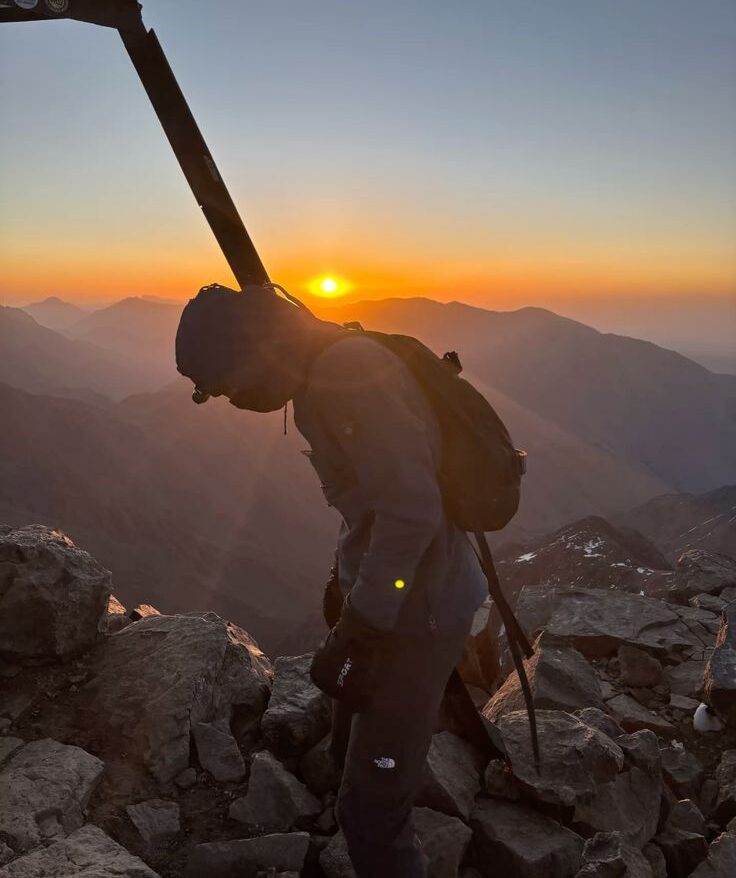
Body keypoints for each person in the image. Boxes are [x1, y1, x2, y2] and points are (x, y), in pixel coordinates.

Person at [175, 284, 487, 878]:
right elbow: (373, 504)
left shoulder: (343, 378)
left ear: (251, 350)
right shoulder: (321, 366)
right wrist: (346, 581)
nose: (234, 400)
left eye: (227, 385)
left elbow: (412, 511)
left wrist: (365, 619)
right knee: (353, 736)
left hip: (420, 614)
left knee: (369, 812)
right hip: (400, 596)